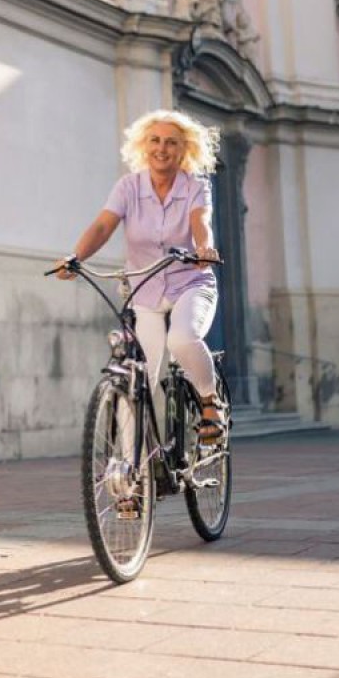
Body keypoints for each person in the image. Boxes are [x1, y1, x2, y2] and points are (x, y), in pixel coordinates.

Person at [54, 109, 227, 442]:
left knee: (182, 339)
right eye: (155, 140)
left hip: (190, 284)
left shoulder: (195, 186)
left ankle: (209, 401)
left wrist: (204, 248)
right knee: (139, 378)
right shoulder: (128, 187)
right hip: (145, 290)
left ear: (184, 149)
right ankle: (131, 476)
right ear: (143, 145)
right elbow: (103, 225)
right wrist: (75, 257)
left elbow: (200, 222)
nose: (162, 148)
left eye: (171, 143)